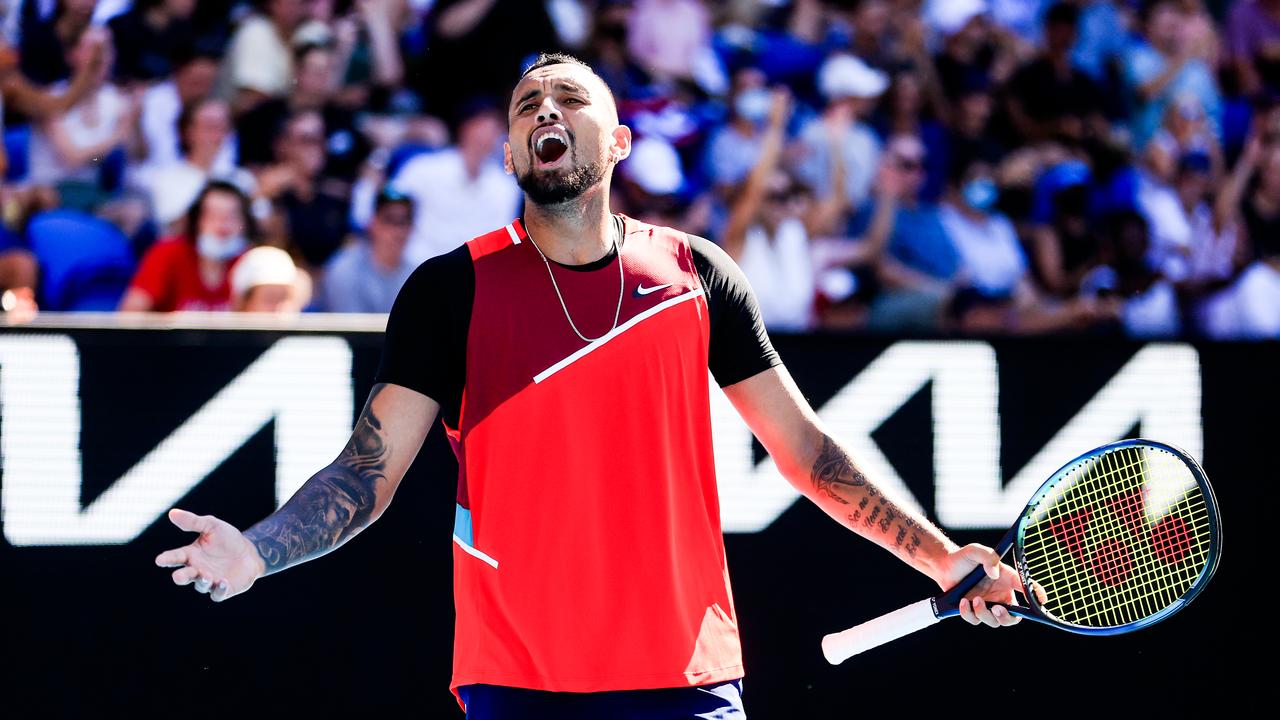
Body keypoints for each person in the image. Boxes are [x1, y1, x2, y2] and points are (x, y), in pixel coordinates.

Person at [154, 53, 1035, 719]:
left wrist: (942, 558)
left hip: (684, 678)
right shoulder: (449, 290)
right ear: (508, 152)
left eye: (570, 98)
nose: (546, 109)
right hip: (519, 679)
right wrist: (259, 551)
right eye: (526, 106)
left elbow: (807, 452)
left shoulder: (698, 274)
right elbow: (365, 474)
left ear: (617, 141)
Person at [119, 180, 255, 311]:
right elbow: (131, 314)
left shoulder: (251, 262)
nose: (222, 225)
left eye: (232, 216)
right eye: (212, 215)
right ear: (196, 221)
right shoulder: (168, 253)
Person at [320, 187, 415, 313]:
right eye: (389, 220)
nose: (398, 231)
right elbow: (351, 329)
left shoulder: (415, 274)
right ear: (373, 223)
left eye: (404, 221)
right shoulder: (345, 269)